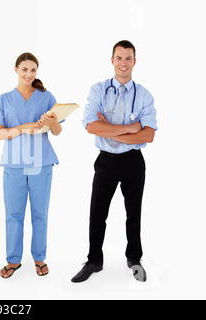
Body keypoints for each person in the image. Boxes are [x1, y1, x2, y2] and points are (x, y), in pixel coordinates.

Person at [72, 40, 158, 283]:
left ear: (134, 62)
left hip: (133, 162)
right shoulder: (98, 90)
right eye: (119, 58)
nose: (123, 63)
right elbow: (90, 126)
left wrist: (108, 130)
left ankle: (134, 259)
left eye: (128, 58)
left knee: (134, 213)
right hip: (106, 162)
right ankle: (93, 261)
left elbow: (149, 135)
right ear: (112, 61)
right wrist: (131, 128)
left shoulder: (144, 95)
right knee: (97, 213)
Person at [0, 52, 63, 279]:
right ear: (16, 70)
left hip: (42, 163)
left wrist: (52, 123)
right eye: (25, 70)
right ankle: (13, 260)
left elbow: (58, 131)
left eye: (33, 70)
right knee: (14, 214)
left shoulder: (47, 97)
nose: (29, 74)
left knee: (40, 214)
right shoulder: (3, 99)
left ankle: (39, 257)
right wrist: (21, 128)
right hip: (14, 164)